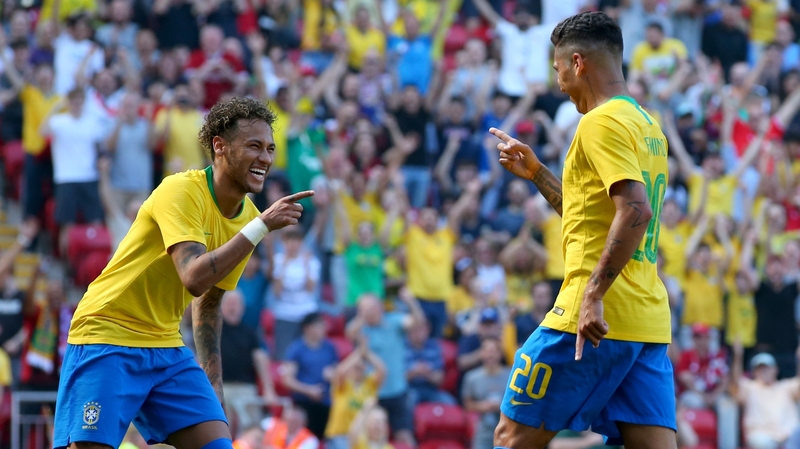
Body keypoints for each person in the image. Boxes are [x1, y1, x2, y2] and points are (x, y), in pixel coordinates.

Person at [52, 97, 315, 449]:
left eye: (270, 148)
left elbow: (208, 303)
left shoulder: (249, 219)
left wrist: (214, 385)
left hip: (164, 344)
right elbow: (193, 277)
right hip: (107, 334)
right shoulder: (181, 190)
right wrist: (262, 227)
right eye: (254, 146)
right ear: (219, 147)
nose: (266, 158)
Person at [490, 12, 676, 448]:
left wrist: (592, 295)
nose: (559, 84)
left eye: (558, 71)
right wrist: (538, 174)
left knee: (512, 438)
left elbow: (634, 211)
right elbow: (594, 215)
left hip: (590, 319)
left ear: (578, 63)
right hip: (644, 323)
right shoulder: (647, 126)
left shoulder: (599, 122)